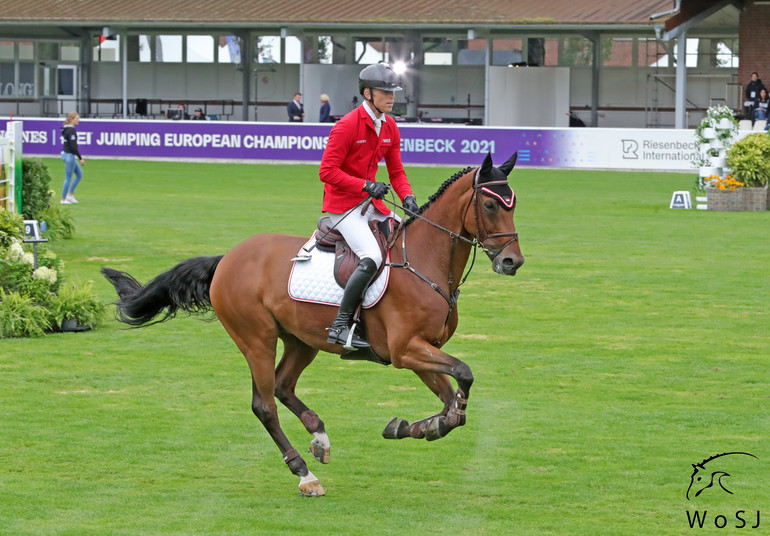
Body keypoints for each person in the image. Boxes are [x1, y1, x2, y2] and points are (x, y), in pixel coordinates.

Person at [319, 63, 419, 349]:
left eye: (393, 92)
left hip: (371, 203)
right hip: (343, 207)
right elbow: (326, 171)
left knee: (408, 243)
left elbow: (397, 172)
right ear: (367, 94)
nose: (391, 97)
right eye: (384, 92)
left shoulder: (390, 125)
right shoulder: (347, 125)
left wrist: (407, 198)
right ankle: (340, 326)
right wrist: (364, 185)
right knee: (372, 257)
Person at [60, 111, 85, 205]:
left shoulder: (67, 129)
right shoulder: (71, 130)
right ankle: (63, 199)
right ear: (72, 119)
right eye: (77, 118)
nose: (79, 120)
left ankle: (70, 195)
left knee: (79, 175)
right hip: (69, 156)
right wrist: (80, 158)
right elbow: (73, 146)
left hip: (68, 155)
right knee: (68, 177)